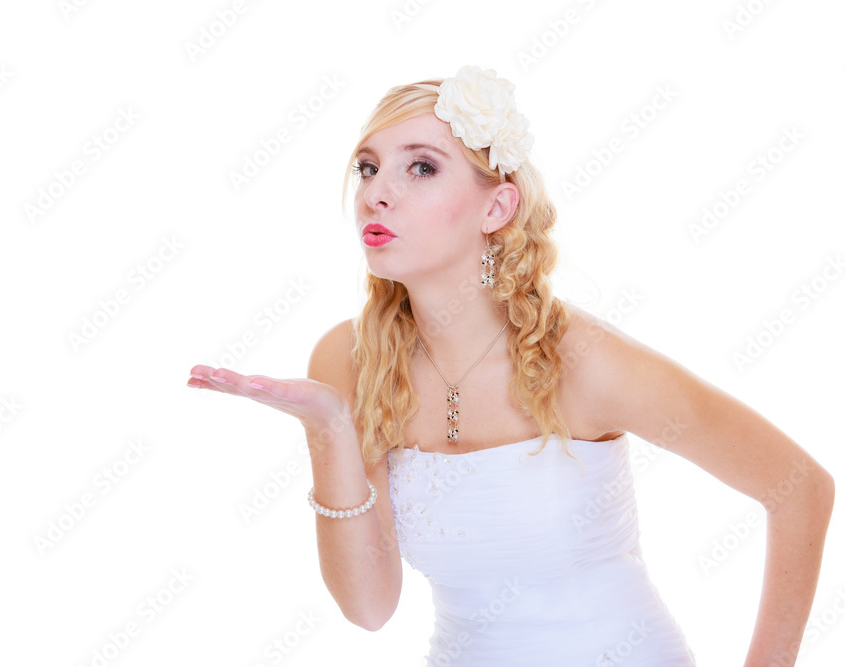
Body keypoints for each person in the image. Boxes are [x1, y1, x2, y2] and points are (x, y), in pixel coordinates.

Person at [187, 66, 834, 666]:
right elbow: (369, 608)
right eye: (367, 167)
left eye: (420, 167)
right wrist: (328, 427)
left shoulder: (583, 360)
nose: (376, 194)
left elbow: (800, 487)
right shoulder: (349, 359)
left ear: (496, 207)